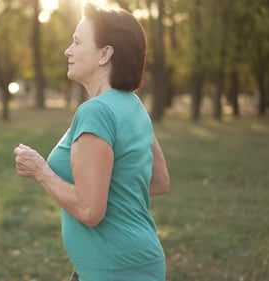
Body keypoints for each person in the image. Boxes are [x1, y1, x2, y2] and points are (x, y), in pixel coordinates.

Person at [14, 2, 170, 280]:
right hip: (131, 261)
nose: (68, 50)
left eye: (76, 42)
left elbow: (89, 211)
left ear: (105, 54)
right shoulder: (133, 105)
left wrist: (40, 170)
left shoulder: (96, 112)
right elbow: (159, 180)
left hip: (113, 268)